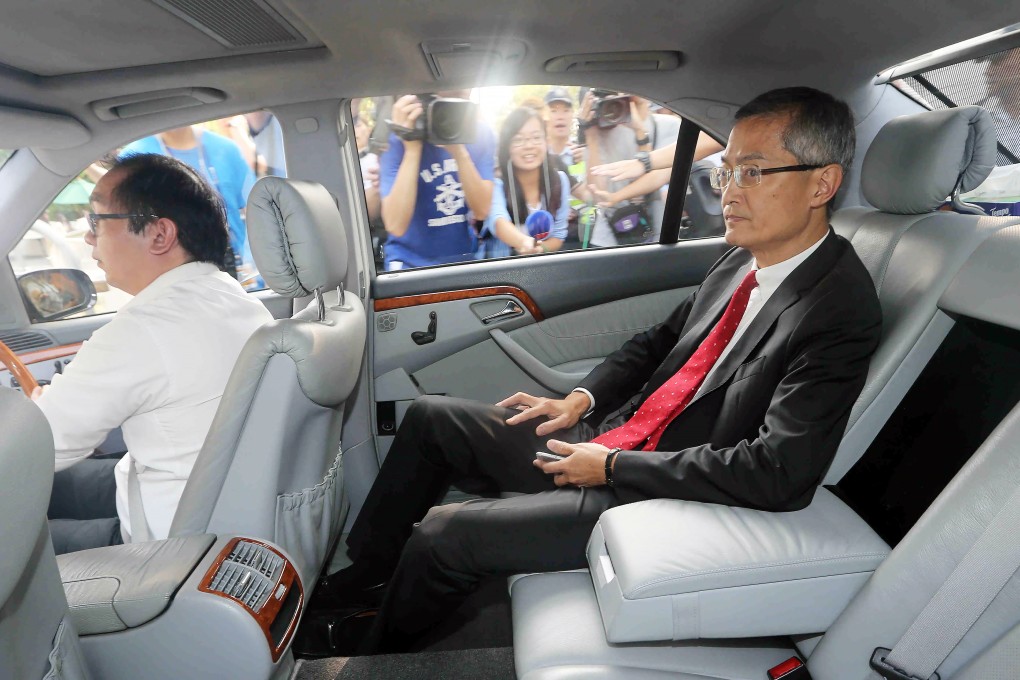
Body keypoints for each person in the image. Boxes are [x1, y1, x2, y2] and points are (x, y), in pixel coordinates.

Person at [322, 86, 883, 653]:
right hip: (618, 437)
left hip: (662, 494)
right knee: (430, 419)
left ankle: (370, 650)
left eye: (753, 172)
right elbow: (659, 341)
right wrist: (581, 402)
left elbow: (778, 471)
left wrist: (614, 468)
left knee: (445, 534)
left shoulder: (838, 309)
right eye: (727, 171)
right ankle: (368, 577)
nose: (730, 191)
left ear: (822, 184)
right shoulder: (741, 256)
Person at [34, 153, 273, 554]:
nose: (88, 238)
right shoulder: (228, 295)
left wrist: (31, 415)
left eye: (97, 220)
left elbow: (38, 446)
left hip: (169, 553)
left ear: (160, 235)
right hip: (215, 510)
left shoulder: (143, 329)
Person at [121, 125, 258, 283]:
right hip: (171, 277)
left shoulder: (226, 149)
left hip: (240, 271)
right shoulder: (134, 158)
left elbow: (255, 213)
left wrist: (253, 263)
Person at [378, 91, 496, 270]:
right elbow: (395, 225)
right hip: (408, 260)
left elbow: (481, 211)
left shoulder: (480, 134)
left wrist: (457, 147)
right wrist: (412, 149)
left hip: (460, 258)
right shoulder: (397, 137)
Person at [581, 92, 681, 247]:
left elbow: (654, 180)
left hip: (656, 231)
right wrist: (591, 137)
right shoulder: (600, 129)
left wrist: (639, 132)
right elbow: (598, 192)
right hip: (608, 236)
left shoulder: (669, 126)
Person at [478, 107, 571, 258]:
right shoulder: (496, 184)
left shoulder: (559, 181)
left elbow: (559, 235)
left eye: (536, 138)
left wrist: (540, 250)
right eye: (518, 140)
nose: (529, 146)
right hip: (502, 271)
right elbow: (498, 222)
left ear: (546, 142)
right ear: (507, 147)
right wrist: (525, 243)